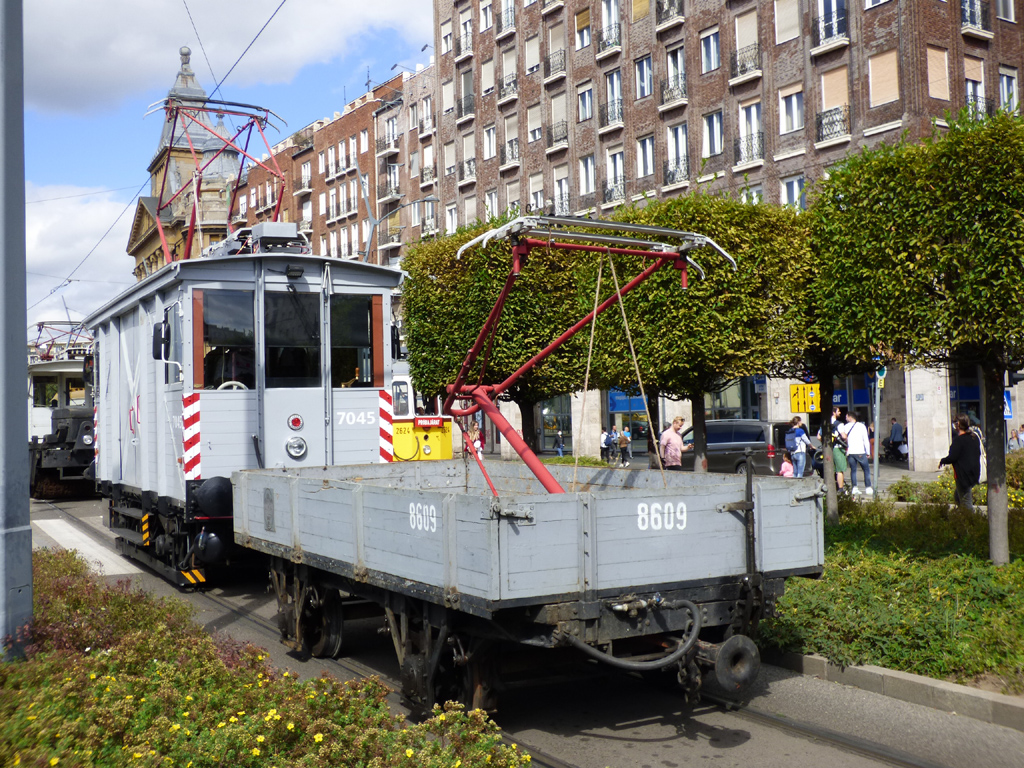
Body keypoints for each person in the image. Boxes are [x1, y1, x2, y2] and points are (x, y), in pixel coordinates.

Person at [939, 413, 981, 510]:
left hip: (963, 475)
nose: (954, 425)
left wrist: (943, 460)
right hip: (973, 473)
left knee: (966, 501)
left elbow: (952, 457)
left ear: (958, 424)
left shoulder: (959, 440)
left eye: (955, 422)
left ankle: (970, 520)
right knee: (958, 497)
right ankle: (961, 516)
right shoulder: (974, 438)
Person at [843, 411, 872, 496]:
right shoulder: (861, 426)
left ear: (850, 417)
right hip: (860, 451)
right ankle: (868, 487)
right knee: (866, 469)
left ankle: (854, 487)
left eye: (846, 416)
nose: (845, 418)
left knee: (853, 470)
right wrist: (868, 452)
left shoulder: (845, 426)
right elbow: (866, 440)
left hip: (850, 452)